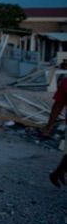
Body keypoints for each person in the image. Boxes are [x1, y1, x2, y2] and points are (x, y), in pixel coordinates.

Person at [43, 59, 67, 188]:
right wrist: (49, 125)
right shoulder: (66, 83)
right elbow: (57, 106)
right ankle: (58, 173)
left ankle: (58, 173)